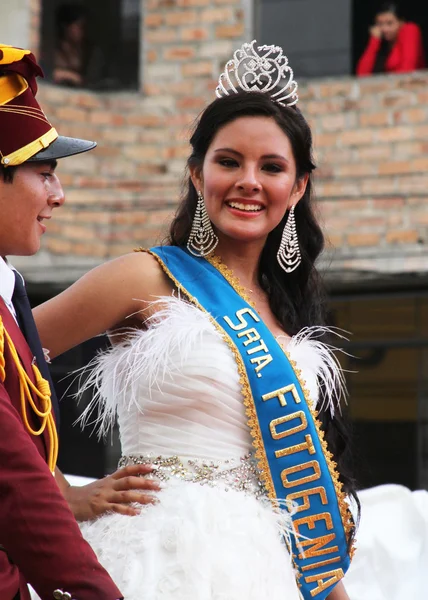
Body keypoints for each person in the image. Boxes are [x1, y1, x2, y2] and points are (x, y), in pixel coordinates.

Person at [34, 41, 358, 600]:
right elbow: (7, 358)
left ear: (298, 186)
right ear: (196, 173)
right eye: (228, 161)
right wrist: (60, 491)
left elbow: (298, 503)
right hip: (153, 555)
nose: (249, 181)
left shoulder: (288, 317)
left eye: (272, 167)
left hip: (261, 568)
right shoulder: (142, 277)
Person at [0, 43, 157, 600]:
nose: (59, 195)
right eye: (44, 174)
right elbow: (11, 476)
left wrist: (66, 491)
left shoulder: (7, 292)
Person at [356, 3, 425, 76]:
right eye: (380, 24)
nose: (384, 29)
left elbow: (407, 70)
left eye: (390, 23)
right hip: (392, 85)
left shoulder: (409, 29)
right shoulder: (380, 42)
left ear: (401, 22)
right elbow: (361, 74)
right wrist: (374, 42)